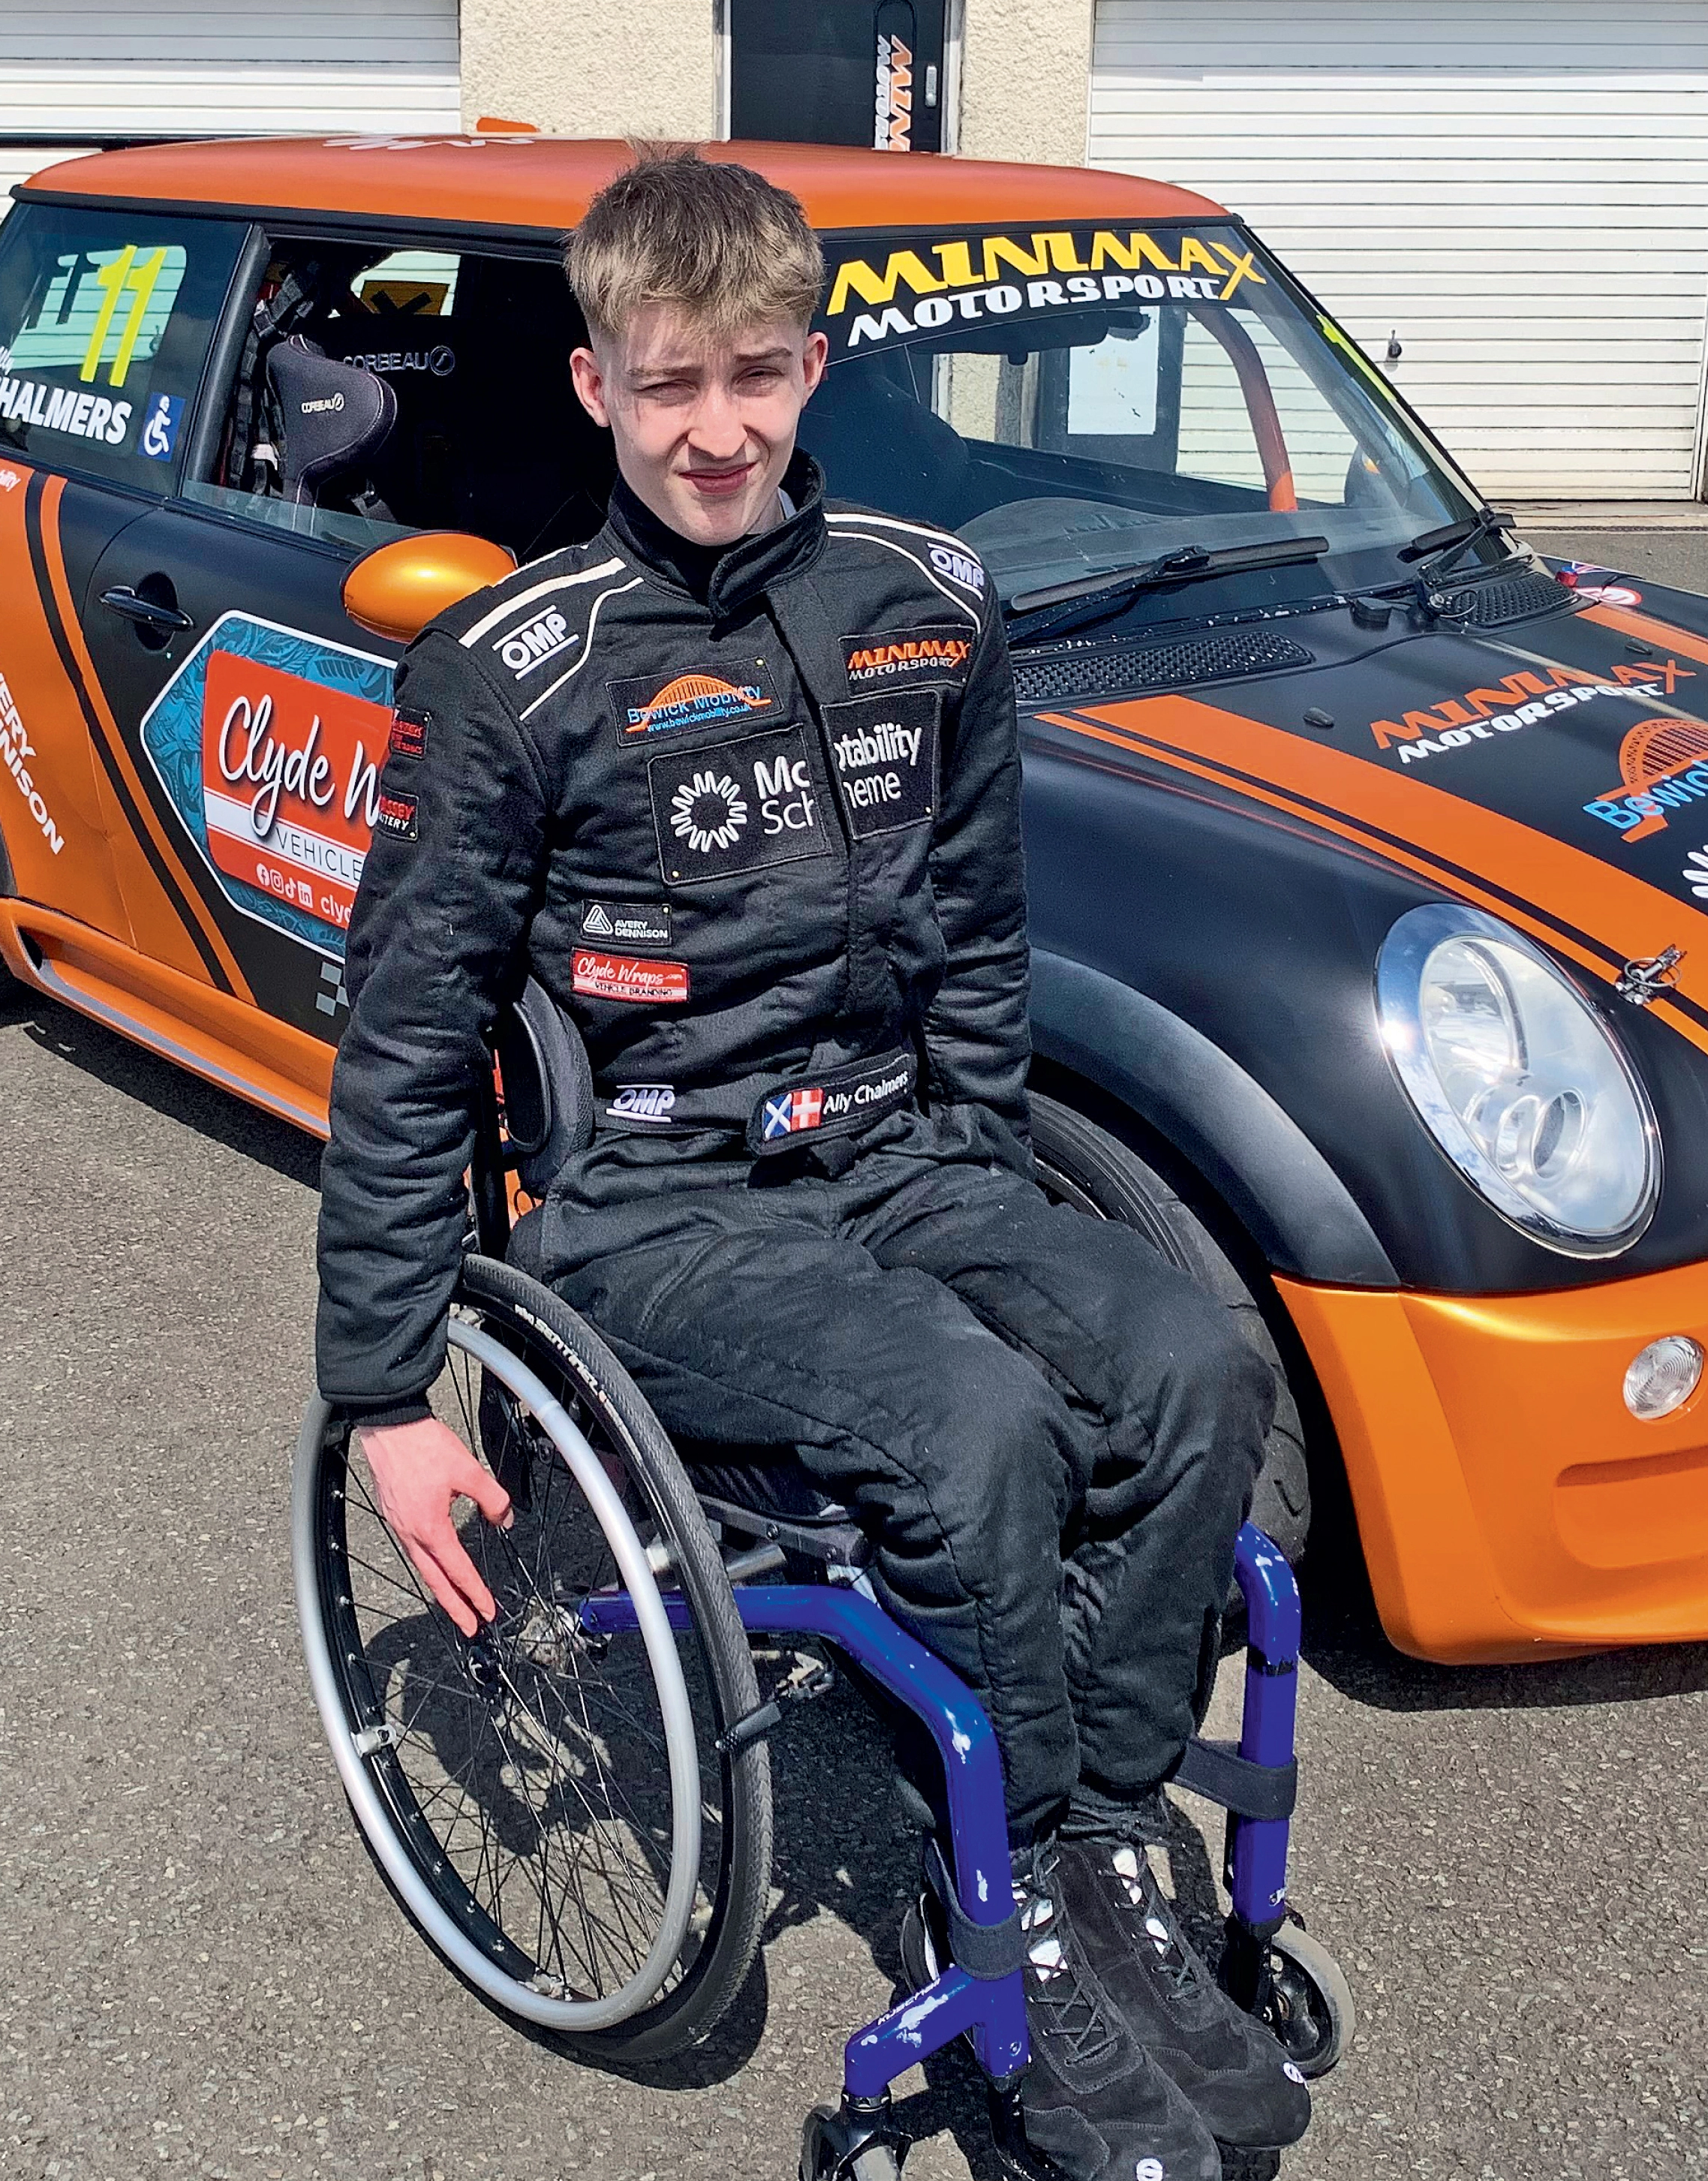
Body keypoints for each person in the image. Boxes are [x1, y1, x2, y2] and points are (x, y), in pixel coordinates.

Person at [312, 147, 1307, 2181]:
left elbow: (976, 934)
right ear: (595, 386)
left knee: (1193, 1370)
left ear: (810, 368)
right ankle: (1008, 1887)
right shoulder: (510, 671)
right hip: (655, 1205)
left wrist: (977, 1182)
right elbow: (406, 1043)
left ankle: (1099, 1836)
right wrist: (385, 1396)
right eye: (669, 383)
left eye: (754, 376)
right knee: (969, 1431)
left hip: (896, 1151)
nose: (717, 430)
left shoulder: (926, 609)